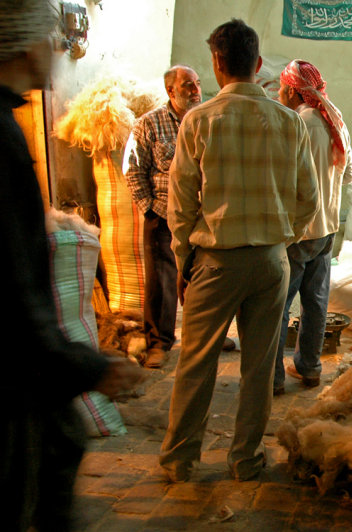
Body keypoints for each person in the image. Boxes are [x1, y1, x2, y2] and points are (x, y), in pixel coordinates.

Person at [0, 1, 143, 529]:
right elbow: (13, 286)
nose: (57, 49)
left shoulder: (7, 122)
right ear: (21, 42)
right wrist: (87, 366)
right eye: (49, 37)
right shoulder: (2, 136)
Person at [161, 18, 319, 483]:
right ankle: (245, 459)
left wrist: (184, 262)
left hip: (216, 261)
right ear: (257, 64)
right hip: (272, 263)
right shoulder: (288, 122)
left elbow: (180, 205)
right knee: (258, 368)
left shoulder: (200, 121)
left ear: (217, 63)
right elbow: (309, 199)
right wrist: (280, 239)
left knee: (196, 365)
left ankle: (180, 461)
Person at [273, 60, 352, 394]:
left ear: (292, 90)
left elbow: (282, 178)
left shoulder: (296, 124)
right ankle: (310, 368)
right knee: (316, 303)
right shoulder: (335, 120)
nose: (278, 93)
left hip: (298, 232)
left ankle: (273, 379)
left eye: (280, 87)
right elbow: (348, 175)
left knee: (277, 307)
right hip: (327, 230)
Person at [123, 65, 201, 369]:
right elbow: (133, 168)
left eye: (197, 84)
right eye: (188, 86)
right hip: (163, 215)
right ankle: (159, 343)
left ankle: (207, 336)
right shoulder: (148, 124)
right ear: (170, 90)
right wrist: (148, 208)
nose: (195, 90)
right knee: (163, 282)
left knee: (202, 279)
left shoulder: (204, 120)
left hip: (199, 217)